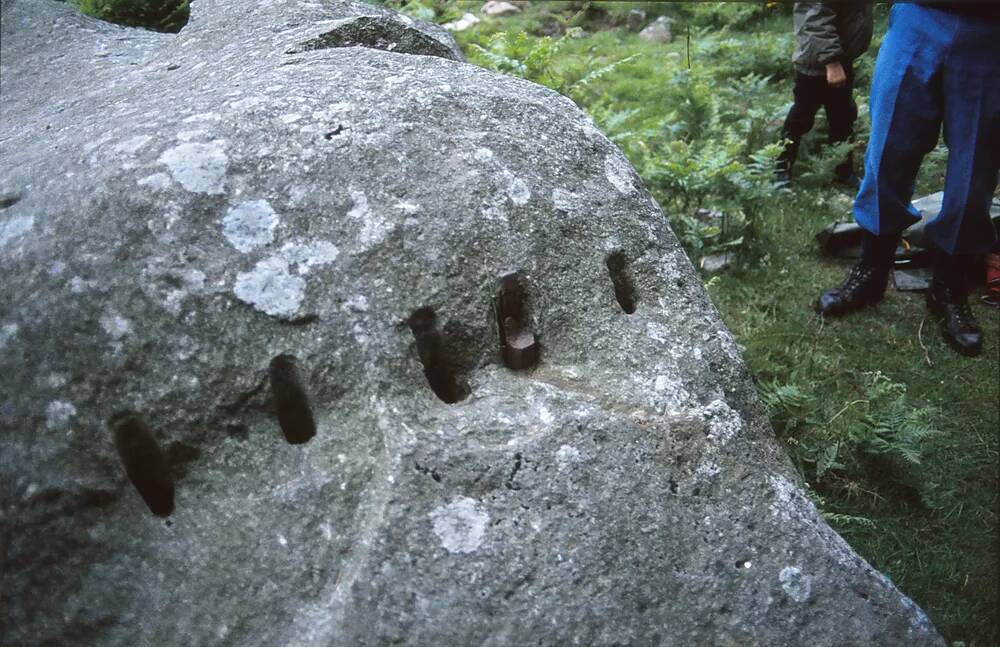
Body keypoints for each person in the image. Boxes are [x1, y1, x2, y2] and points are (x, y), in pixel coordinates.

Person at [816, 2, 1000, 358]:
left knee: (975, 173)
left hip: (992, 34)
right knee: (888, 152)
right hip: (918, 17)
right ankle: (871, 272)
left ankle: (949, 287)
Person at [776, 3, 873, 187]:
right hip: (816, 63)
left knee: (843, 117)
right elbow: (815, 19)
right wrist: (831, 62)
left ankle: (843, 172)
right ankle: (781, 168)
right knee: (801, 117)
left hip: (840, 58)